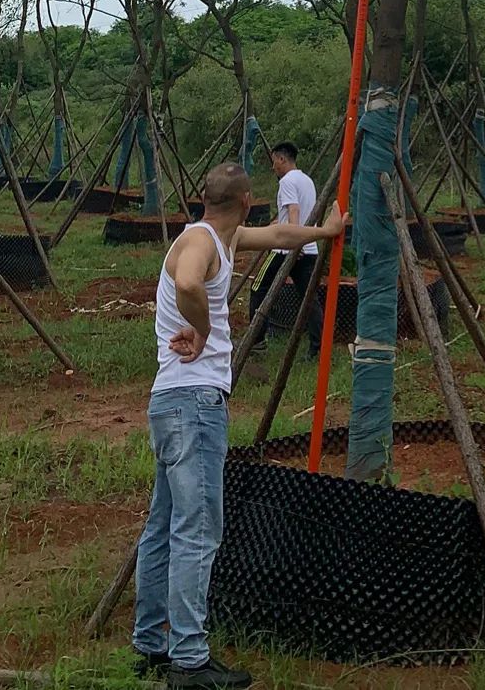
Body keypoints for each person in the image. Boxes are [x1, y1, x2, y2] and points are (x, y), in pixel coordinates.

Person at [132, 161, 347, 688]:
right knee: (197, 530)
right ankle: (188, 660)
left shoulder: (223, 234)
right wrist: (202, 329)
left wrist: (324, 231)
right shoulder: (200, 243)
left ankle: (151, 645)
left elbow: (278, 233)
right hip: (194, 405)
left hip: (171, 404)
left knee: (164, 526)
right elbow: (187, 281)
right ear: (247, 199)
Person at [248, 141, 325, 354]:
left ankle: (256, 342)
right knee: (309, 298)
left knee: (258, 289)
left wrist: (293, 242)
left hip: (286, 250)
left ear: (282, 159)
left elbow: (294, 211)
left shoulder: (287, 181)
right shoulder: (307, 180)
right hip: (309, 249)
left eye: (274, 162)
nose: (273, 167)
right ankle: (316, 349)